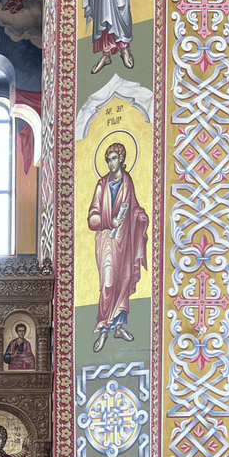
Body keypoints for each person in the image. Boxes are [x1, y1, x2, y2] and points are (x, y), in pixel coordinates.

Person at [89, 139, 149, 349]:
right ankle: (103, 330)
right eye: (108, 159)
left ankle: (119, 327)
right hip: (107, 241)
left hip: (126, 241)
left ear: (121, 159)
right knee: (108, 284)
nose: (111, 163)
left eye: (114, 158)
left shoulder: (128, 181)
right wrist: (109, 221)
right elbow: (92, 219)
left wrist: (140, 216)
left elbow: (133, 207)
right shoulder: (101, 185)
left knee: (124, 281)